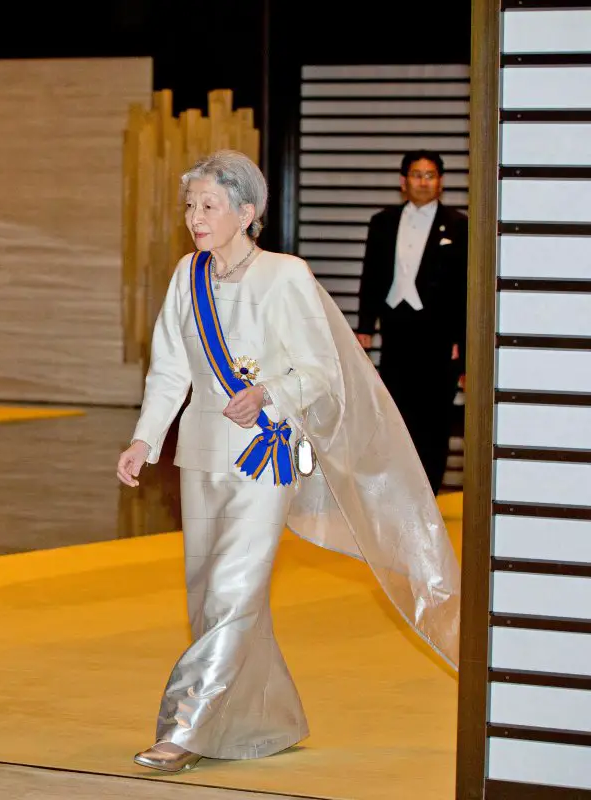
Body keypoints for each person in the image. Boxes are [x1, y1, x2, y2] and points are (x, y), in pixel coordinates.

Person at [116, 150, 461, 773]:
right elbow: (168, 368)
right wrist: (145, 439)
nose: (195, 218)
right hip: (199, 453)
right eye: (190, 206)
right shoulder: (184, 276)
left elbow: (324, 370)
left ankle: (185, 728)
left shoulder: (286, 275)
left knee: (233, 590)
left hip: (262, 456)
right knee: (207, 597)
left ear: (247, 213)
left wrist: (268, 392)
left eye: (209, 206)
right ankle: (265, 722)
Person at [357, 150, 468, 494]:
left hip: (439, 333)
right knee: (395, 412)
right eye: (417, 174)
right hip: (396, 328)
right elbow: (371, 276)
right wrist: (364, 327)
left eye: (431, 175)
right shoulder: (383, 221)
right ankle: (396, 489)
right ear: (403, 182)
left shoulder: (460, 224)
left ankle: (429, 489)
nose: (424, 181)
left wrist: (462, 342)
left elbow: (466, 287)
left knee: (434, 416)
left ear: (441, 181)